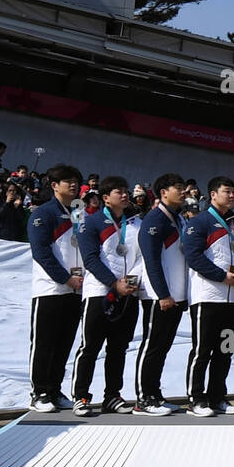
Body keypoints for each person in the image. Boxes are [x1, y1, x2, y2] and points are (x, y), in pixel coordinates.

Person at [183, 176, 234, 417]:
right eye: (227, 192)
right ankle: (195, 399)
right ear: (213, 194)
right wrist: (222, 276)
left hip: (232, 299)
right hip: (207, 296)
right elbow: (193, 257)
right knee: (203, 350)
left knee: (225, 349)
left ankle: (217, 396)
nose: (232, 196)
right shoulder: (200, 222)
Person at [71, 176, 141, 415]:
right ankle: (80, 396)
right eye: (118, 191)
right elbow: (90, 259)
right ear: (105, 198)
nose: (124, 194)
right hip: (98, 293)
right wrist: (113, 283)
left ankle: (112, 395)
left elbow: (141, 258)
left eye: (126, 190)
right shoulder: (91, 223)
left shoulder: (135, 224)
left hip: (128, 293)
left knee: (118, 347)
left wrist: (129, 284)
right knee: (90, 347)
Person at [27, 165, 84, 412]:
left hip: (76, 290)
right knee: (44, 344)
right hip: (50, 289)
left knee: (63, 344)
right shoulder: (44, 213)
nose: (73, 185)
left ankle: (54, 390)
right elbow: (41, 253)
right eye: (67, 181)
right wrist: (65, 278)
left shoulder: (79, 212)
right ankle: (38, 393)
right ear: (54, 185)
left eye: (75, 181)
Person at [132, 173, 188, 416]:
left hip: (175, 296)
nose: (184, 191)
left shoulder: (179, 219)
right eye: (178, 188)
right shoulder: (155, 219)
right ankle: (143, 399)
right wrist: (163, 294)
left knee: (162, 347)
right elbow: (151, 261)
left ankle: (155, 394)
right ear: (164, 192)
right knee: (152, 346)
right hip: (159, 297)